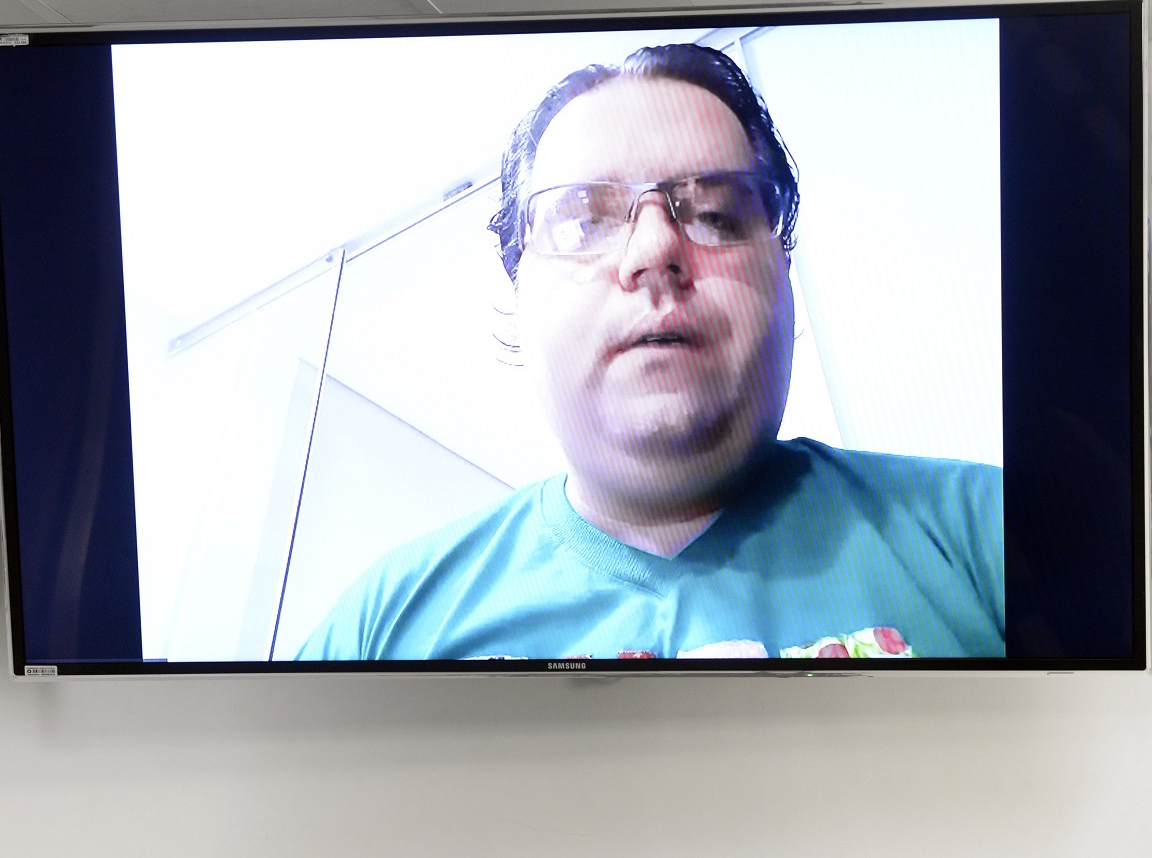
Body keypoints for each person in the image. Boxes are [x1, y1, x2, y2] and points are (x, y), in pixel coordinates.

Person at [297, 43, 1004, 662]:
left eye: (716, 214)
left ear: (784, 275)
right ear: (520, 295)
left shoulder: (993, 533)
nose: (655, 248)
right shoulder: (383, 629)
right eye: (584, 223)